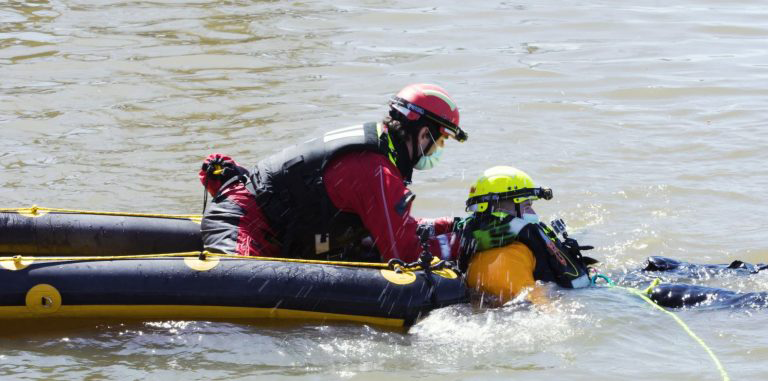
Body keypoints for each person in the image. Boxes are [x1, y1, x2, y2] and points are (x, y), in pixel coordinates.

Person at [198, 84, 468, 262]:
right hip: (245, 226)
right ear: (424, 134)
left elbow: (396, 228)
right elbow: (403, 254)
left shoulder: (378, 152)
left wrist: (454, 226)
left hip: (273, 227)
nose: (439, 149)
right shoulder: (376, 172)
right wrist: (465, 247)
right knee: (241, 304)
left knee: (361, 247)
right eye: (441, 140)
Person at [459, 166, 596, 305]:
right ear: (500, 211)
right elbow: (532, 308)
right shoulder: (509, 255)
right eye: (527, 206)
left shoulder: (475, 245)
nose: (533, 212)